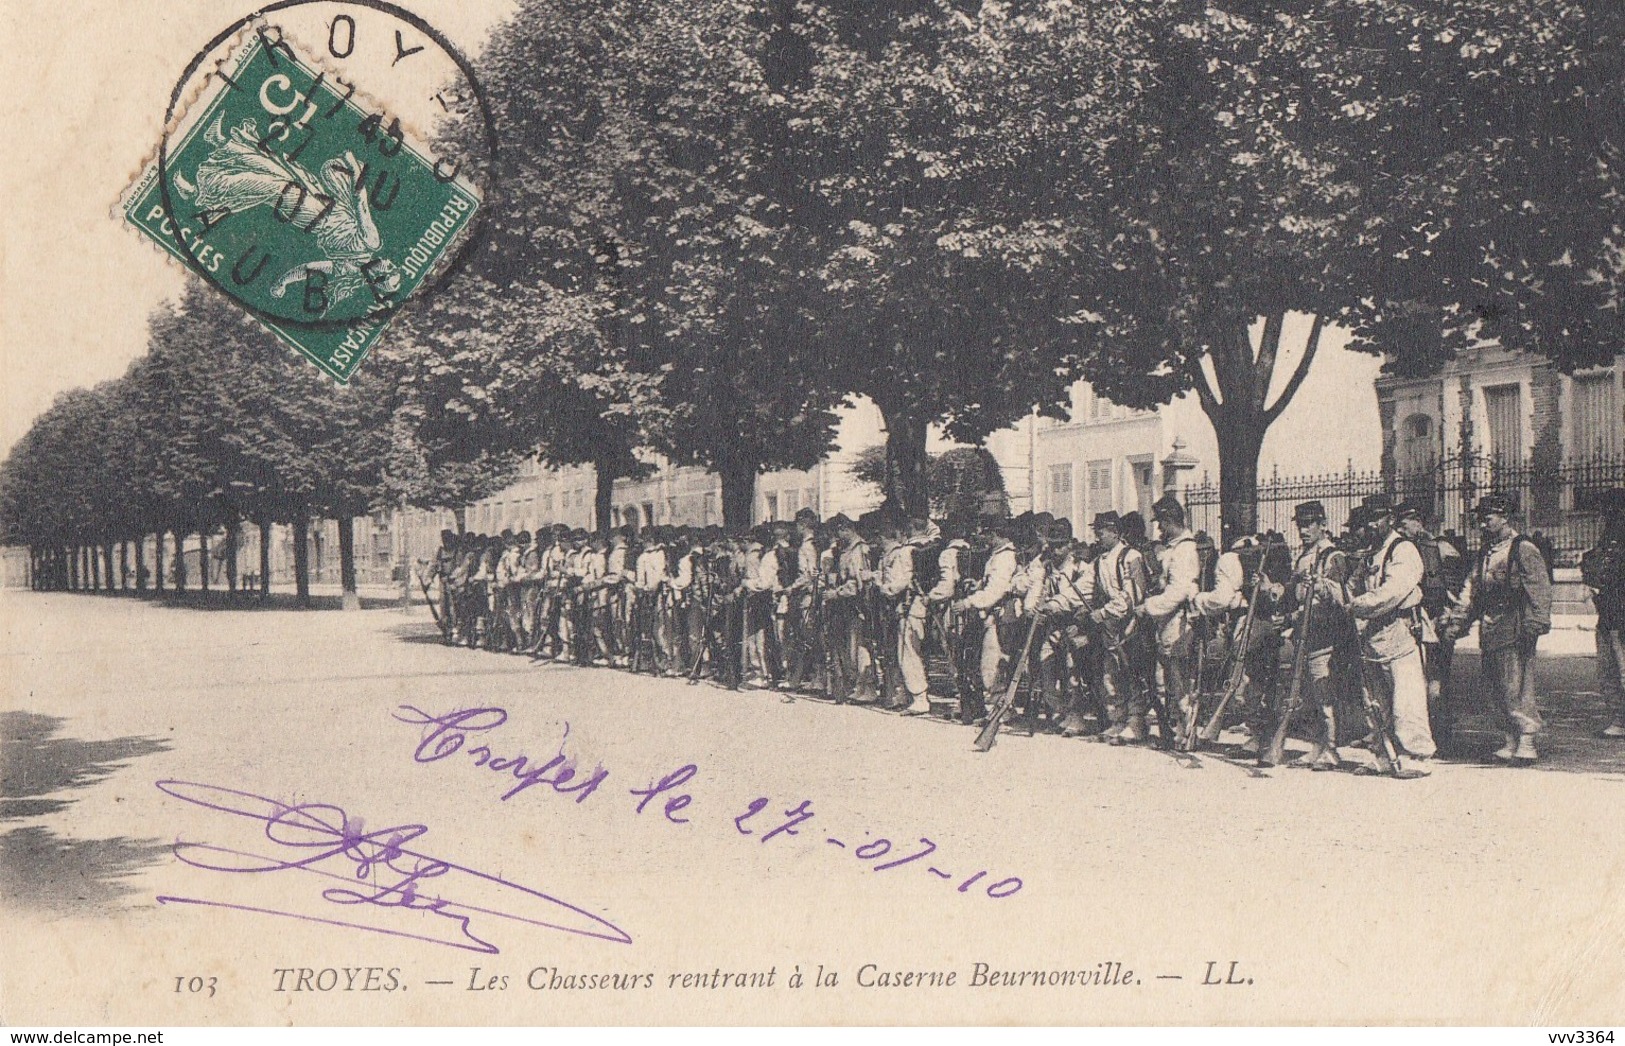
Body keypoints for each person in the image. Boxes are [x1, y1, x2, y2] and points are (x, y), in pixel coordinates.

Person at [1444, 493, 1553, 764]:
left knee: (1516, 683)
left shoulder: (1522, 548)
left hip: (1516, 624)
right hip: (1491, 625)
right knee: (1495, 684)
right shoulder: (1486, 551)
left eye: (1488, 518)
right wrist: (1459, 619)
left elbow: (1539, 588)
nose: (1482, 525)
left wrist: (1537, 621)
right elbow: (1472, 588)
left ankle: (1527, 738)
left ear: (1505, 518)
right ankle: (1508, 738)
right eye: (1480, 519)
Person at [1260, 500, 1352, 769]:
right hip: (1304, 635)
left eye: (1309, 524)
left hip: (1324, 636)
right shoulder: (1304, 556)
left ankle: (1331, 748)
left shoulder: (1332, 557)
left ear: (1323, 525)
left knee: (1324, 694)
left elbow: (1337, 598)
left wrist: (1312, 594)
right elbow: (1294, 593)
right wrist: (1273, 589)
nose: (1303, 530)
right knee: (1308, 696)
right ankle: (1317, 745)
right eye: (1300, 525)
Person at [1347, 494, 1435, 772]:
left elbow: (1393, 592)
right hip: (1374, 633)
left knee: (1406, 698)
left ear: (1391, 519)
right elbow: (1354, 585)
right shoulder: (1373, 552)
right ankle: (1383, 754)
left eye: (1378, 518)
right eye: (1369, 518)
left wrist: (1357, 605)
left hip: (1400, 629)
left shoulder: (1403, 549)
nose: (1372, 524)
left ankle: (1416, 756)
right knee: (1375, 699)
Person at [1394, 500, 1462, 750]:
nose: (1402, 530)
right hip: (1415, 623)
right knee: (1415, 682)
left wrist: (1447, 615)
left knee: (1436, 682)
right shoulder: (1404, 548)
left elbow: (1453, 587)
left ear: (1418, 522)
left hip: (1436, 621)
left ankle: (1441, 734)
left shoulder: (1442, 549)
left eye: (1405, 524)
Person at [1134, 495, 1201, 748]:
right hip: (1166, 621)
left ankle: (1186, 733)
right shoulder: (1173, 547)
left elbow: (1177, 592)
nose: (1159, 528)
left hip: (1179, 621)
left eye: (1162, 522)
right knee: (1169, 679)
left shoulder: (1184, 550)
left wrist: (1148, 607)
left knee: (1178, 679)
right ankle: (1177, 732)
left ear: (1171, 520)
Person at [1582, 489, 1625, 739]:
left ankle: (1620, 719)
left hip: (1618, 615)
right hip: (1609, 614)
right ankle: (1619, 719)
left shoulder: (1615, 538)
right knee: (1610, 670)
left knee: (1617, 669)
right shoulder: (1609, 538)